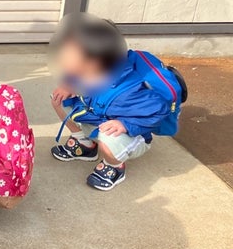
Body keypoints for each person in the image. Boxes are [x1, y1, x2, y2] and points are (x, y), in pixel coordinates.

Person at [50, 16, 171, 191]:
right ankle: (85, 144)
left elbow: (160, 109)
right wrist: (68, 85)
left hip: (130, 133)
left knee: (108, 140)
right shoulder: (87, 71)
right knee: (59, 99)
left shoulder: (128, 90)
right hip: (99, 118)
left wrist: (125, 124)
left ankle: (114, 166)